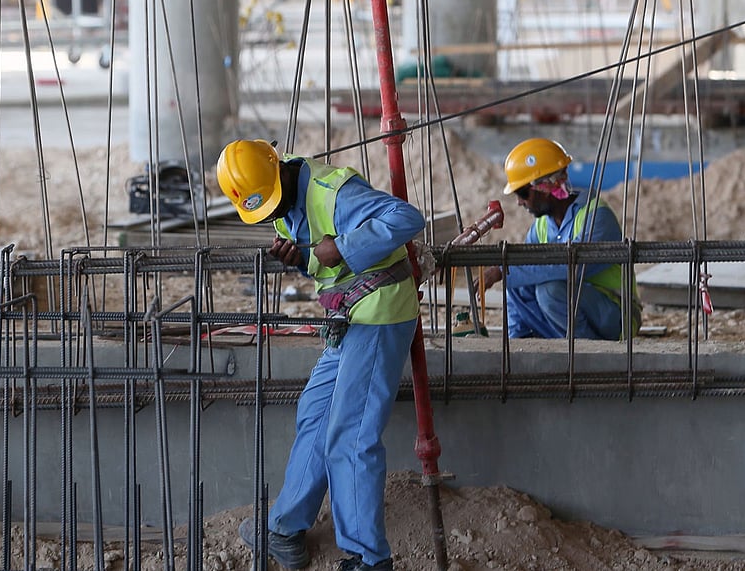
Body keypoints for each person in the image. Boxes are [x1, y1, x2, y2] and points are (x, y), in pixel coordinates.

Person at [216, 139, 423, 571]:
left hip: (378, 311)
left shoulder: (333, 191)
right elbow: (320, 262)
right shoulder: (281, 206)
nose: (272, 217)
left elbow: (406, 218)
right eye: (264, 212)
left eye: (272, 205)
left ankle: (368, 559)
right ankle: (286, 528)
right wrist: (301, 259)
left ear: (281, 172)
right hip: (345, 316)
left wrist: (341, 246)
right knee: (316, 412)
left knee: (351, 433)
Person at [474, 138, 638, 340]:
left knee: (548, 290)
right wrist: (516, 345)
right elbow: (521, 276)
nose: (519, 202)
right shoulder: (541, 226)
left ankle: (589, 357)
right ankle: (531, 342)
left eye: (523, 193)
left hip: (617, 316)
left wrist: (502, 269)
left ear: (546, 186)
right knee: (516, 282)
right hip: (571, 319)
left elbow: (571, 266)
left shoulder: (596, 215)